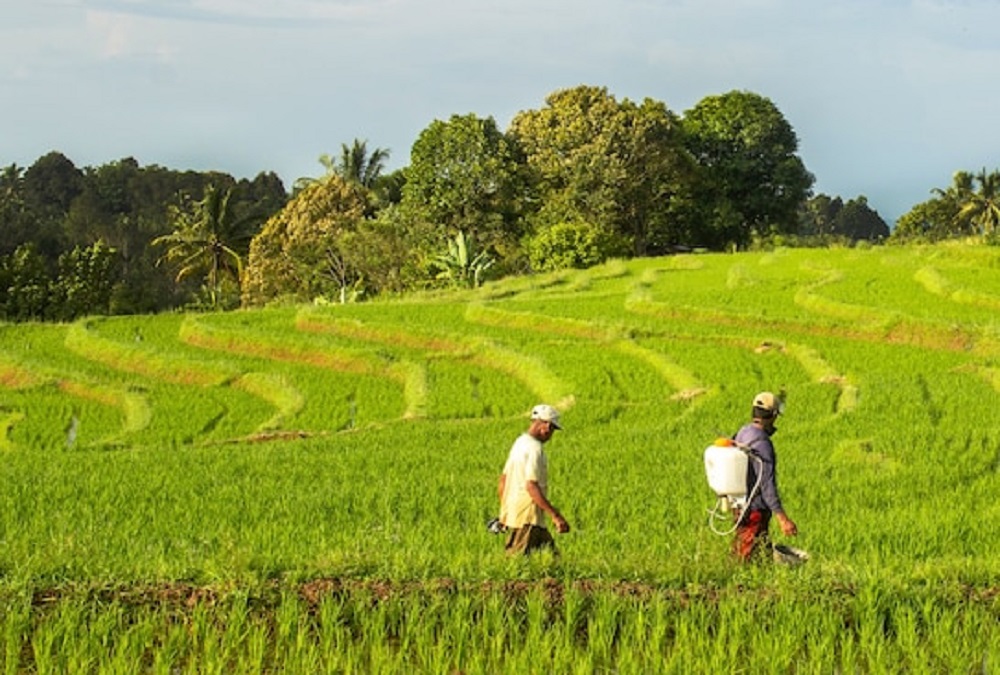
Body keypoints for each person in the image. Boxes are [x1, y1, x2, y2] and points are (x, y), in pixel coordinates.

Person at [496, 403, 570, 555]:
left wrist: (505, 512)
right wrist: (555, 515)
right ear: (546, 426)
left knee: (552, 558)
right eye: (553, 429)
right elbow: (531, 486)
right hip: (527, 516)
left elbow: (503, 480)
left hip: (521, 515)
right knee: (516, 560)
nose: (551, 434)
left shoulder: (519, 443)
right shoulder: (535, 449)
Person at [732, 391, 798, 562]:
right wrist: (783, 519)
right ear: (773, 416)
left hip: (739, 505)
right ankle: (734, 578)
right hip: (754, 510)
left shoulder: (743, 432)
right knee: (746, 558)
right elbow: (767, 485)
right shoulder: (763, 444)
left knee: (760, 554)